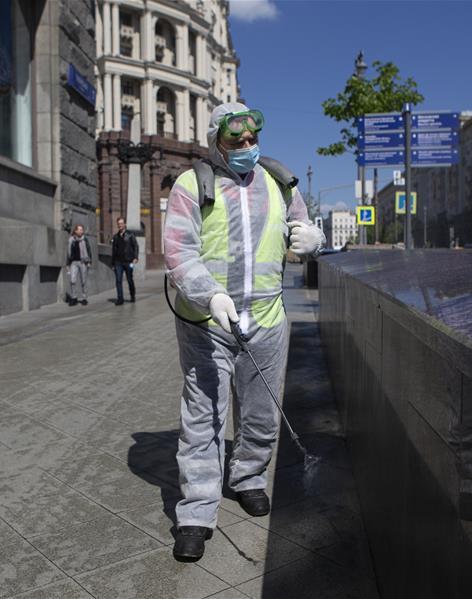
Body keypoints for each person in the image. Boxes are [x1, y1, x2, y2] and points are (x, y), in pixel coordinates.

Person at [164, 102, 324, 561]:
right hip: (207, 319)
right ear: (217, 140)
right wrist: (208, 294)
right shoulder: (192, 184)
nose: (248, 148)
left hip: (267, 317)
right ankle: (196, 511)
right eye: (237, 142)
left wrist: (313, 239)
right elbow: (178, 250)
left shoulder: (279, 181)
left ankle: (249, 476)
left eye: (253, 140)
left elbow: (301, 227)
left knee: (261, 410)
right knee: (205, 414)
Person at [111, 217, 138, 305]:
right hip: (118, 262)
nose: (120, 225)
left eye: (121, 223)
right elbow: (114, 250)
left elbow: (135, 246)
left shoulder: (130, 235)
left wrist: (135, 257)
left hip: (128, 261)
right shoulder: (115, 237)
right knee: (118, 280)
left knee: (129, 279)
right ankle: (120, 299)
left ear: (125, 224)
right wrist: (113, 263)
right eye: (118, 224)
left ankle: (132, 295)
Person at [65, 224, 92, 306]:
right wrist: (67, 264)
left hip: (83, 262)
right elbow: (68, 252)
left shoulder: (85, 239)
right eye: (79, 230)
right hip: (74, 263)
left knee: (83, 281)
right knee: (72, 280)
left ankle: (84, 298)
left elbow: (89, 250)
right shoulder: (71, 240)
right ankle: (74, 298)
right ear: (75, 231)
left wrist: (89, 261)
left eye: (82, 230)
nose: (81, 231)